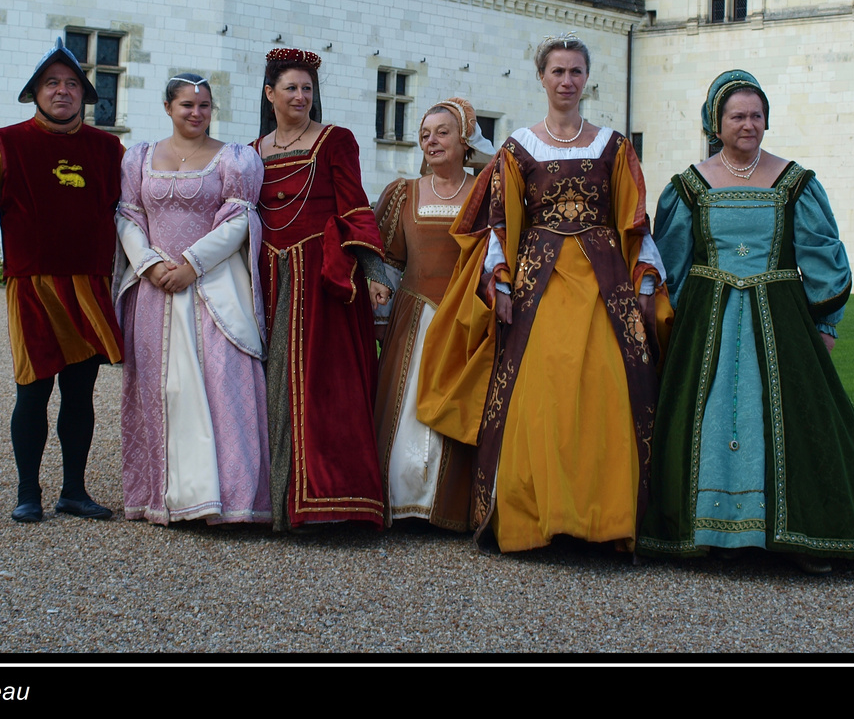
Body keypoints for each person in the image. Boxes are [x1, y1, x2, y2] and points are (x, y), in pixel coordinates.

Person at [638, 70, 854, 572]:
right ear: (716, 123)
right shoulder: (687, 187)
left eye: (756, 116)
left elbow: (823, 254)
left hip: (780, 319)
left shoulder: (796, 182)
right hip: (707, 322)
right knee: (706, 418)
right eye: (737, 116)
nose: (748, 125)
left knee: (797, 420)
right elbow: (670, 264)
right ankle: (709, 532)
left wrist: (825, 324)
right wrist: (662, 325)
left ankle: (803, 535)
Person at [419, 35, 669, 553]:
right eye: (557, 72)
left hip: (604, 283)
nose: (567, 81)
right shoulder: (518, 147)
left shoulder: (613, 146)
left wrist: (645, 276)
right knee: (541, 391)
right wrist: (501, 280)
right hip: (540, 282)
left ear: (586, 79)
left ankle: (603, 518)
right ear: (542, 78)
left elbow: (635, 217)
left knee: (607, 385)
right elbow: (499, 221)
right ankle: (538, 515)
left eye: (576, 72)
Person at [0, 38, 124, 523]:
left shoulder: (109, 149)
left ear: (84, 95)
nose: (62, 91)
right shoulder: (5, 145)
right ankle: (27, 492)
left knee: (80, 392)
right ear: (35, 93)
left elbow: (136, 208)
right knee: (32, 388)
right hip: (33, 285)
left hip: (90, 284)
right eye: (52, 83)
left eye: (72, 84)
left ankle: (74, 489)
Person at [113, 74, 270, 525]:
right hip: (154, 289)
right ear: (168, 108)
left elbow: (241, 219)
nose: (196, 113)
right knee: (163, 388)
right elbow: (128, 216)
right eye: (186, 105)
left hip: (212, 288)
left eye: (204, 105)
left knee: (219, 385)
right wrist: (150, 265)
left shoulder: (235, 159)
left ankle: (226, 497)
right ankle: (165, 495)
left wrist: (191, 264)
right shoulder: (139, 158)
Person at [251, 48, 388, 531]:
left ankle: (333, 500)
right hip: (270, 274)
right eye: (291, 87)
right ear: (270, 94)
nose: (301, 96)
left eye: (308, 88)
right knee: (271, 380)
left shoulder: (335, 140)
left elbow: (354, 206)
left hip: (321, 275)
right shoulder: (252, 151)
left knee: (326, 385)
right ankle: (276, 501)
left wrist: (371, 273)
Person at [371, 98, 493, 530]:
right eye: (425, 135)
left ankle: (446, 506)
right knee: (404, 407)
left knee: (454, 404)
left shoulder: (486, 193)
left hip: (463, 318)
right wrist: (379, 284)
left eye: (442, 132)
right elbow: (389, 256)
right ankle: (402, 501)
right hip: (414, 317)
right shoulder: (404, 192)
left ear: (465, 139)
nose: (432, 141)